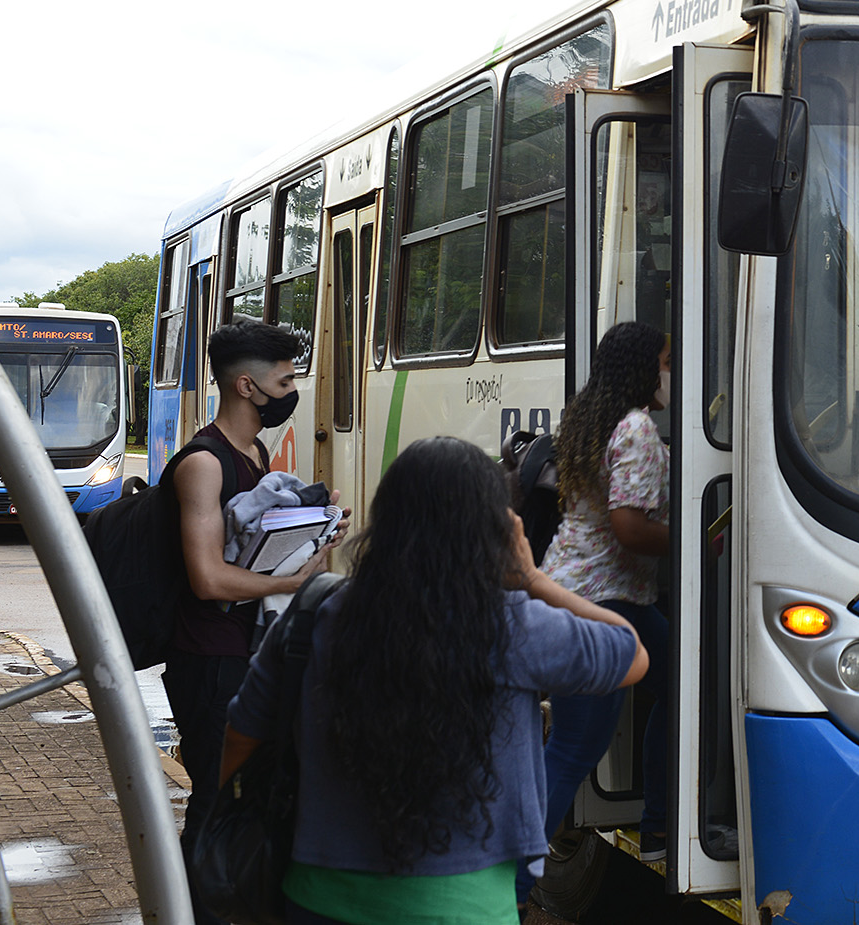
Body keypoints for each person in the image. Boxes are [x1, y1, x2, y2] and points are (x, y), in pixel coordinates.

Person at [220, 437, 645, 925]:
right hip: (462, 908)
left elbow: (241, 735)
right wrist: (533, 578)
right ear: (493, 529)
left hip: (318, 899)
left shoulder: (318, 613)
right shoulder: (511, 622)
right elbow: (629, 653)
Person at [165, 319, 328, 924]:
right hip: (208, 659)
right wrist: (292, 581)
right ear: (245, 386)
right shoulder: (204, 464)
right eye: (284, 380)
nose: (290, 391)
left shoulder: (256, 454)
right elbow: (208, 578)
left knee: (246, 795)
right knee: (212, 798)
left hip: (245, 650)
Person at [519, 321, 671, 907]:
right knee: (576, 748)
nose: (670, 369)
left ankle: (659, 825)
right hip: (597, 607)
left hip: (585, 594)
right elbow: (629, 528)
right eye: (664, 358)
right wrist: (688, 537)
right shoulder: (633, 425)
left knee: (679, 685)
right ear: (641, 367)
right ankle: (508, 888)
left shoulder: (591, 415)